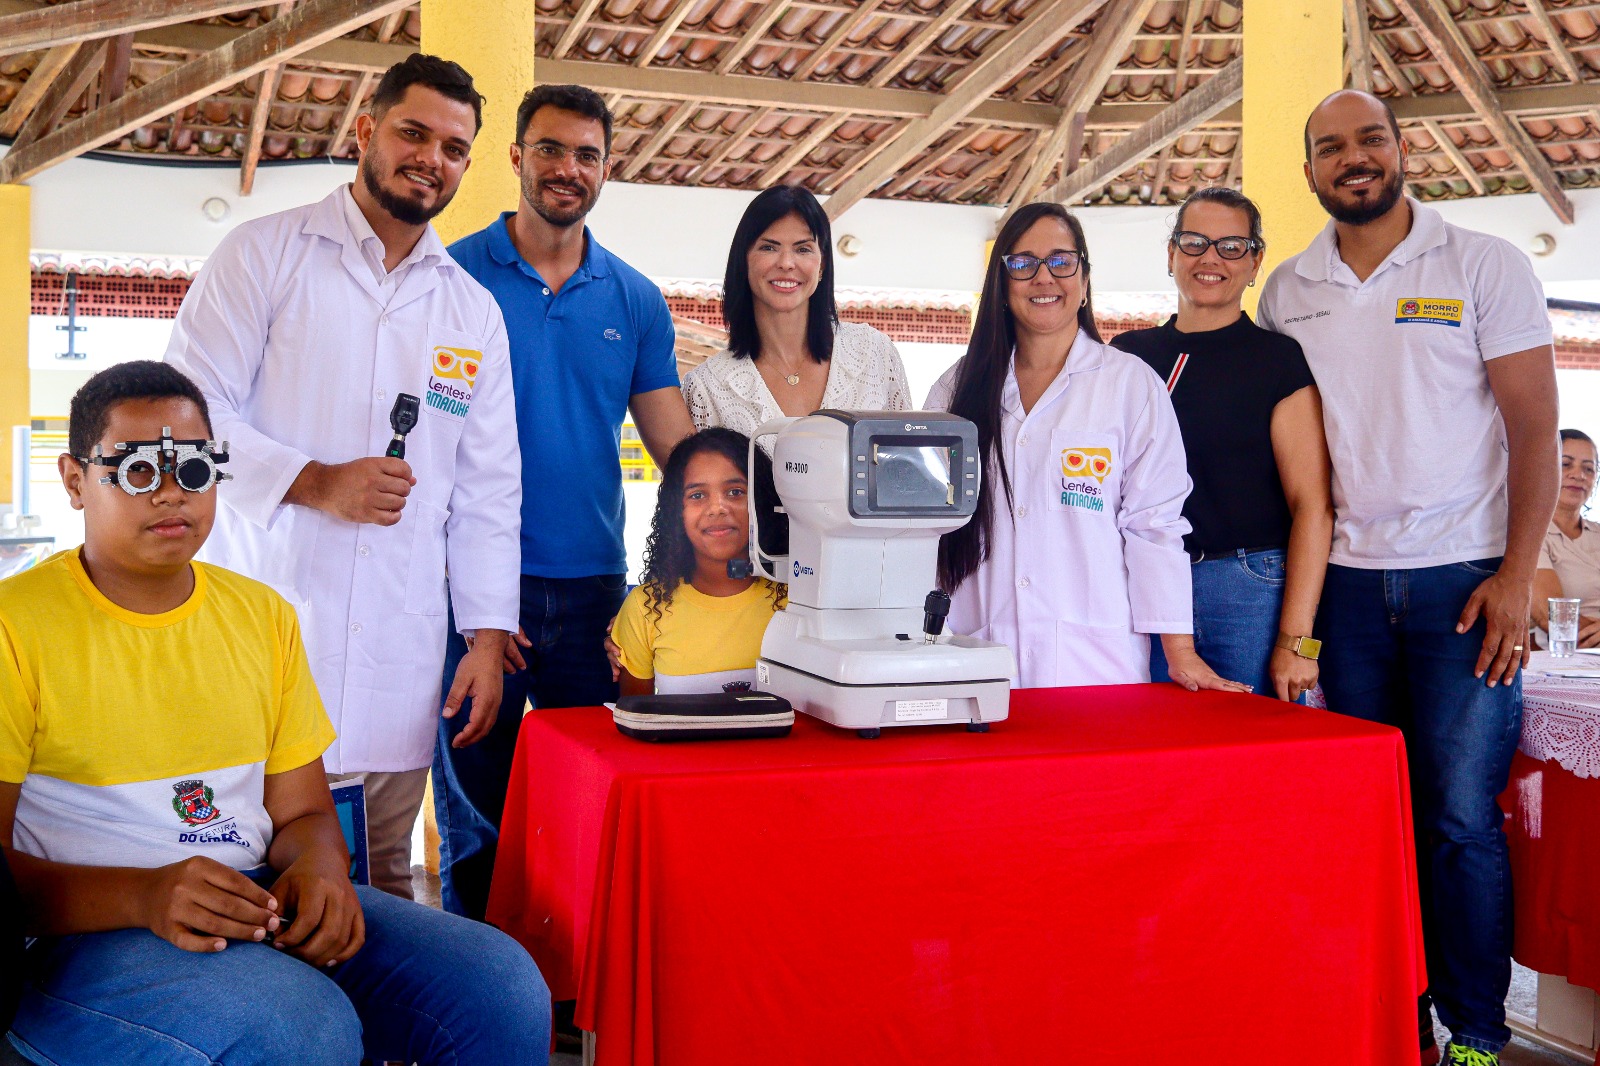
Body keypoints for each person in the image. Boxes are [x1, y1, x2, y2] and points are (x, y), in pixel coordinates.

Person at [1, 362, 550, 1066]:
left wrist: (320, 872)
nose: (172, 493)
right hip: (81, 936)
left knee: (499, 985)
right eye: (139, 471)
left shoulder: (260, 616)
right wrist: (145, 896)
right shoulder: (17, 626)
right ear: (75, 480)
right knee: (298, 1027)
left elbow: (303, 815)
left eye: (194, 469)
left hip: (255, 899)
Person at [165, 55, 520, 902]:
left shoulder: (469, 310)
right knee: (250, 882)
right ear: (365, 131)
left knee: (387, 882)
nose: (433, 157)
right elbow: (186, 414)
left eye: (454, 147)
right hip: (270, 624)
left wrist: (484, 637)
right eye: (413, 133)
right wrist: (312, 480)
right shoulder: (265, 255)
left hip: (399, 650)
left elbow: (487, 489)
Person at [1257, 90, 1559, 1066]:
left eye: (1370, 139)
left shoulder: (1483, 264)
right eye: (1331, 147)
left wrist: (1520, 571)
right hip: (1343, 594)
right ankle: (1394, 1016)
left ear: (1400, 149)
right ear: (1309, 170)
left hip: (1463, 588)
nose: (1354, 158)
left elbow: (1533, 429)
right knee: (1367, 824)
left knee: (1461, 817)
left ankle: (1473, 1033)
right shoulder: (1286, 290)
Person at [437, 83, 695, 920]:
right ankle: (479, 1014)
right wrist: (473, 601)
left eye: (586, 154)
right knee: (481, 822)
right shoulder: (454, 275)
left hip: (593, 598)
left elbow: (677, 451)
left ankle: (572, 1001)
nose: (566, 168)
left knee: (591, 810)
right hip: (479, 598)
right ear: (515, 157)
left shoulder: (634, 299)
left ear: (606, 169)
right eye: (549, 149)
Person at [925, 202, 1247, 693]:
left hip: (1095, 665)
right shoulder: (956, 389)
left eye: (1061, 261)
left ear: (1084, 277)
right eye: (1022, 263)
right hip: (977, 654)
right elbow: (927, 526)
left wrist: (1179, 653)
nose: (1044, 277)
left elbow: (1153, 525)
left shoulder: (1129, 385)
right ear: (1002, 280)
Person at [1114, 187, 1334, 702]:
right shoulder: (1127, 357)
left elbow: (1313, 506)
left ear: (1256, 261)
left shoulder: (1277, 359)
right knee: (1147, 755)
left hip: (1248, 587)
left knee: (1249, 763)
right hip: (1140, 585)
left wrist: (1297, 642)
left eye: (1232, 246)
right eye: (1193, 243)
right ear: (1171, 255)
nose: (1210, 258)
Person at [683, 184, 913, 439]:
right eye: (769, 247)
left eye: (803, 249)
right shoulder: (708, 386)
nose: (786, 263)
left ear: (822, 263)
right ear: (744, 259)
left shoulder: (873, 353)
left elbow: (909, 460)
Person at [613, 428, 786, 696]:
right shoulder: (645, 608)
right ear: (676, 511)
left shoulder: (797, 600)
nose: (717, 507)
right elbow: (638, 719)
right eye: (697, 495)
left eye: (735, 492)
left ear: (760, 501)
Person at [1533, 429, 1600, 647]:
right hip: (1567, 660)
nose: (1579, 475)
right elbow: (1560, 620)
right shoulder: (1532, 535)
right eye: (1565, 464)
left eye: (1588, 469)